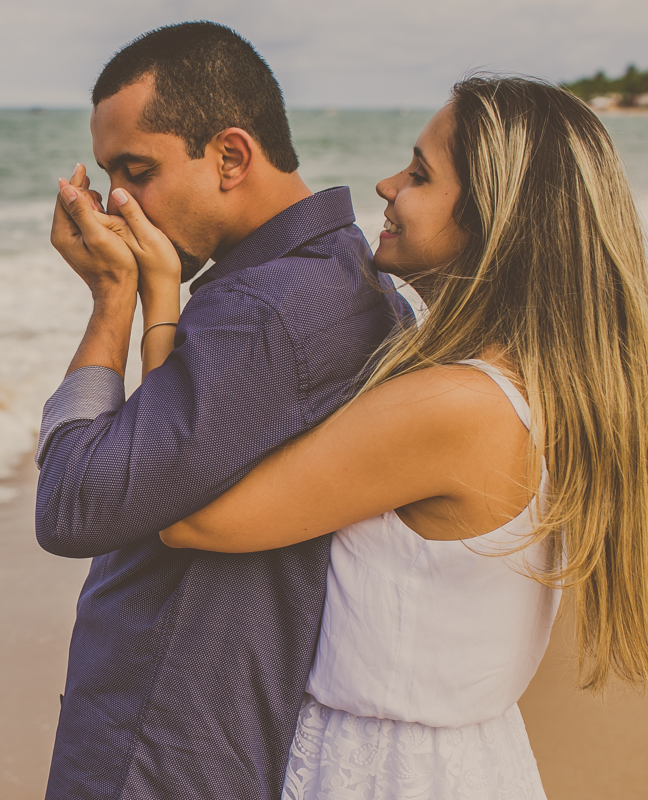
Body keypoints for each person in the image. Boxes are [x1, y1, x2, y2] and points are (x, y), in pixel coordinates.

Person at [137, 77, 648, 798]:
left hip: (381, 768)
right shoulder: (542, 387)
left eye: (420, 174)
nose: (385, 185)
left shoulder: (453, 405)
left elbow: (185, 514)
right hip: (467, 758)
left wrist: (157, 297)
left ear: (491, 217)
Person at [36, 22, 410, 800]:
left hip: (157, 745)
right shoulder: (342, 274)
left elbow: (72, 507)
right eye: (108, 176)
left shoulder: (270, 309)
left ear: (232, 156)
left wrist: (112, 300)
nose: (118, 203)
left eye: (137, 170)